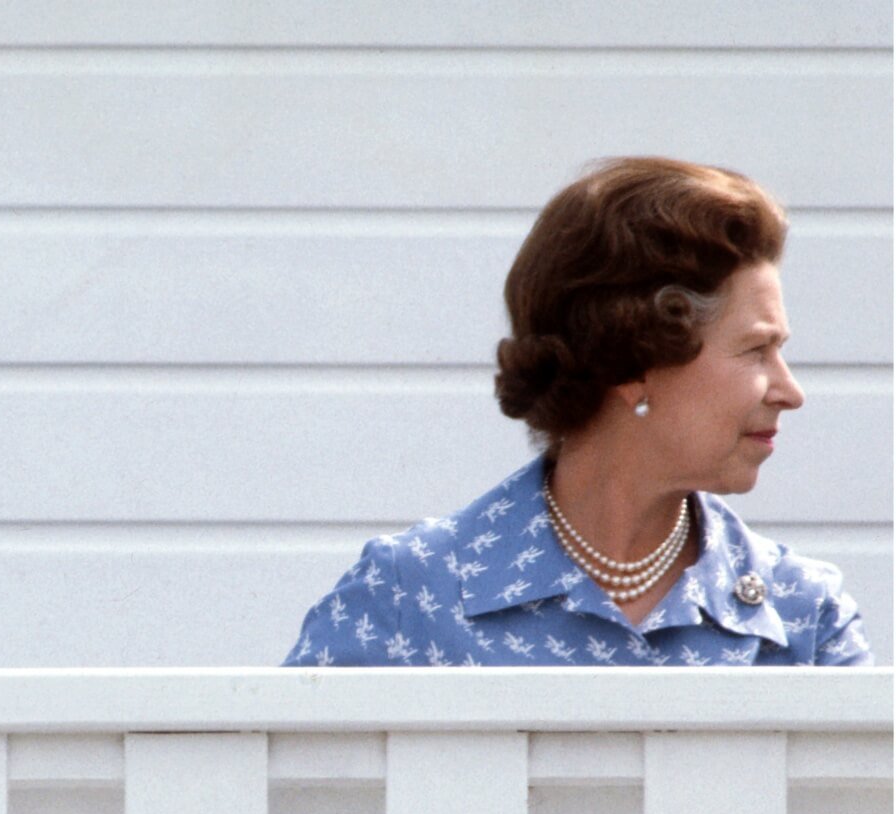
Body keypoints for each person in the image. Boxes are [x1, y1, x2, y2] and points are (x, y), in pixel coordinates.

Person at [282, 157, 871, 667]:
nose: (790, 392)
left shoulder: (801, 617)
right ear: (634, 359)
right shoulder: (412, 597)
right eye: (756, 350)